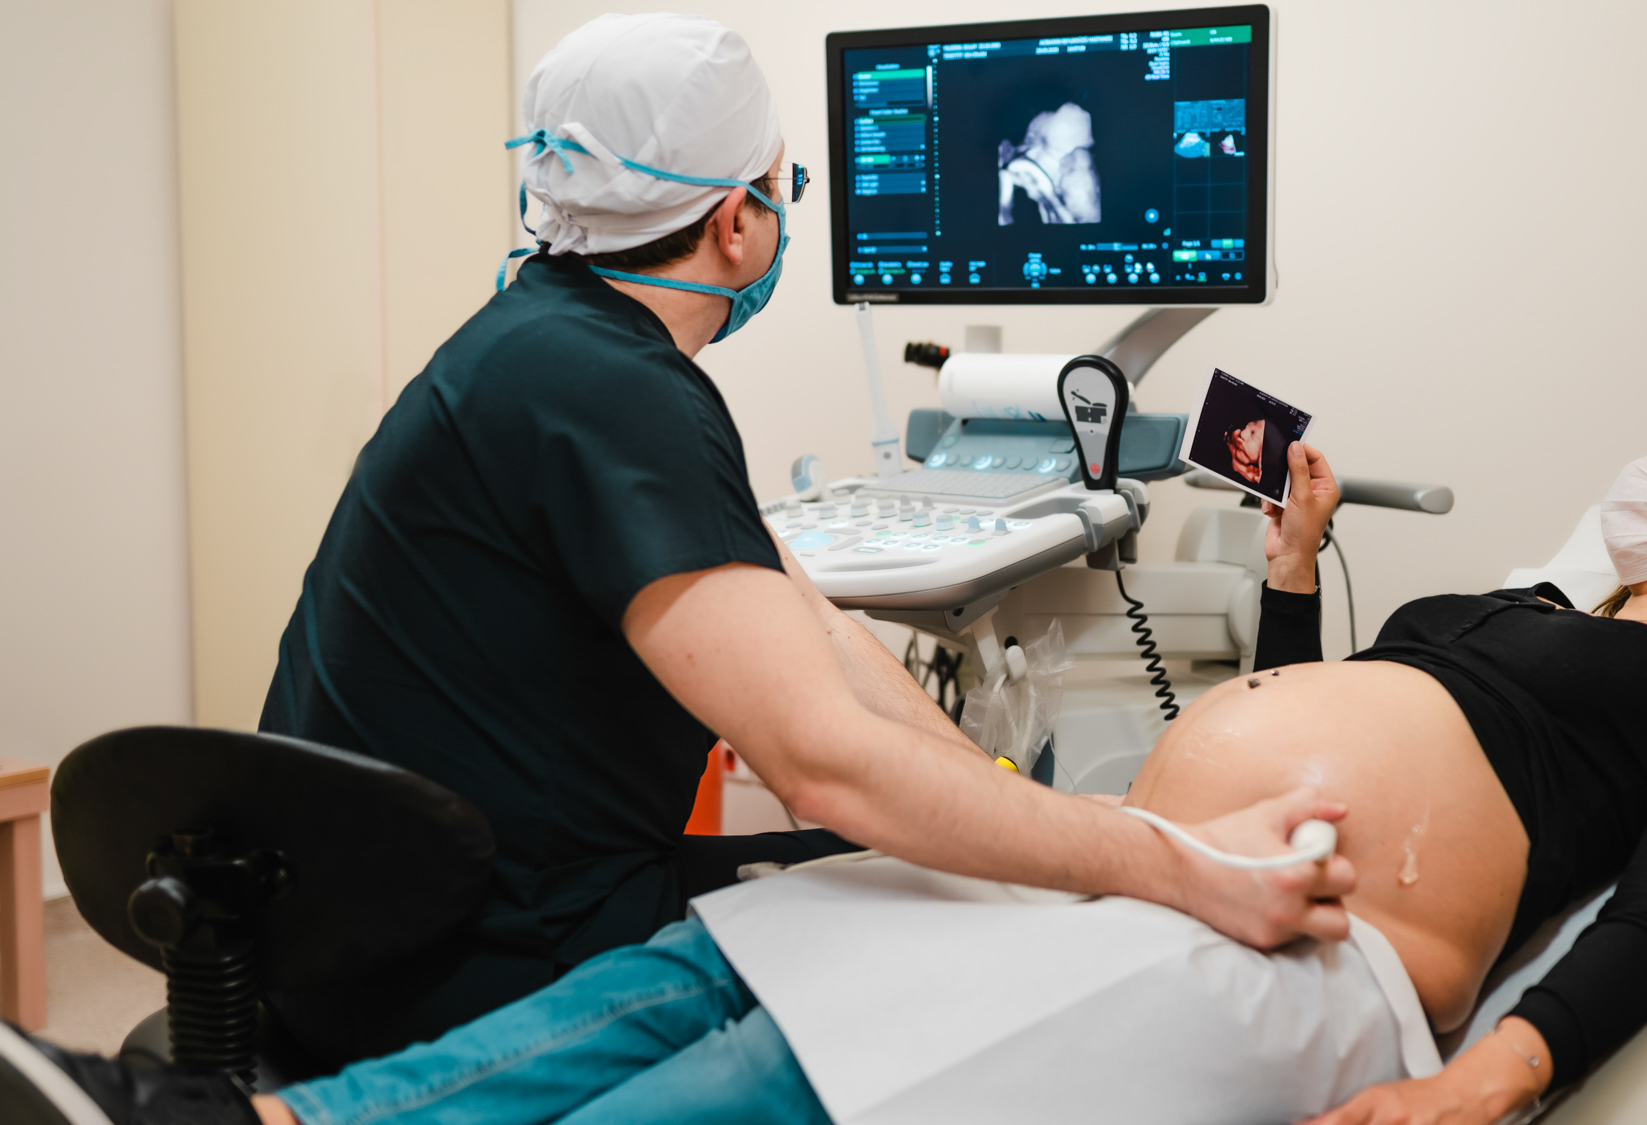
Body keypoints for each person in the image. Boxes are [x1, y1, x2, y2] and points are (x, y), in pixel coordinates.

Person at [4, 390, 1647, 1125]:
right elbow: (1334, 712)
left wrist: (1496, 1083)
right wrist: (1293, 575)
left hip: (1319, 949)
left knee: (799, 1067)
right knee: (730, 951)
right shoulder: (1505, 608)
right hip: (1162, 865)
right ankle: (248, 1122)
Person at [246, 13, 1349, 1067]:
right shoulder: (619, 394)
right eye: (786, 187)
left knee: (968, 868)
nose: (783, 210)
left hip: (372, 930)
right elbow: (825, 771)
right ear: (737, 223)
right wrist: (1166, 863)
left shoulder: (546, 342)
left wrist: (1020, 804)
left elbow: (809, 623)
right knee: (972, 922)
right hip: (473, 971)